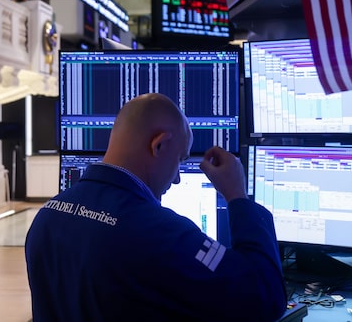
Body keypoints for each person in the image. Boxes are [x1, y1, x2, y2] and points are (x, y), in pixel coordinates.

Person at [25, 93, 286, 322]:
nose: (176, 178)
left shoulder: (48, 215)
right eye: (179, 159)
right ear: (158, 145)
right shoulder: (160, 233)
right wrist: (236, 195)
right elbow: (264, 297)